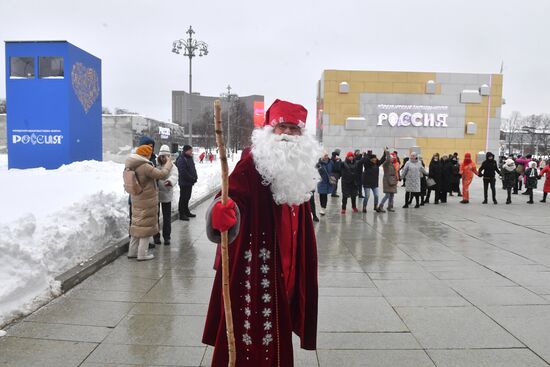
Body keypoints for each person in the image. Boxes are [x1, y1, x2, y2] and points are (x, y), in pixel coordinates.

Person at [203, 99, 321, 366]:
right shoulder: (251, 163)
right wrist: (223, 211)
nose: (288, 135)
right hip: (257, 268)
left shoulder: (299, 169)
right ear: (270, 130)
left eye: (294, 129)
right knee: (251, 336)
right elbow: (230, 196)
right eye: (283, 128)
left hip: (288, 271)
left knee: (277, 332)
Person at [125, 144, 173, 261]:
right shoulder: (145, 166)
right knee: (146, 228)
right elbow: (162, 175)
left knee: (137, 225)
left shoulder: (131, 165)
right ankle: (142, 254)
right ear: (146, 154)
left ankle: (132, 252)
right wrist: (168, 164)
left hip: (137, 198)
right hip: (147, 200)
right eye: (149, 153)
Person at [153, 145, 179, 245]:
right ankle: (156, 236)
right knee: (155, 217)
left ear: (168, 156)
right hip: (155, 195)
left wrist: (170, 181)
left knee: (167, 217)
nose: (163, 158)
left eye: (165, 156)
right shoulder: (155, 164)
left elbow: (175, 175)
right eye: (162, 156)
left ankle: (167, 237)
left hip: (166, 194)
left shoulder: (172, 166)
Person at [176, 144, 198, 221]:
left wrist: (195, 177)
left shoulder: (190, 158)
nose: (192, 152)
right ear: (186, 151)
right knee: (183, 198)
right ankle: (181, 214)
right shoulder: (181, 159)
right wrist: (191, 178)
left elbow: (192, 168)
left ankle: (186, 211)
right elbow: (183, 172)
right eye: (190, 150)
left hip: (189, 182)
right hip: (184, 182)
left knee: (187, 197)